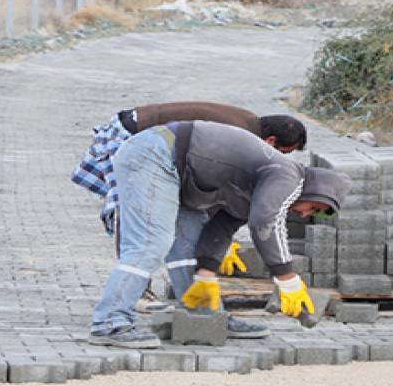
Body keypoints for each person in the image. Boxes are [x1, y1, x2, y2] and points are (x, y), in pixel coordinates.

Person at [87, 121, 349, 349]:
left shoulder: (260, 187)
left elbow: (221, 227)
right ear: (315, 192)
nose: (305, 214)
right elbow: (265, 223)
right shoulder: (287, 176)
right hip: (155, 154)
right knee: (150, 243)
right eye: (314, 208)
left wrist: (207, 271)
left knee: (189, 247)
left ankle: (206, 316)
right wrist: (287, 279)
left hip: (178, 172)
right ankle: (109, 322)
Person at [71, 102, 308, 235]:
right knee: (134, 211)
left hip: (144, 135)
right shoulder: (241, 136)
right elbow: (217, 179)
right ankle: (133, 287)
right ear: (271, 141)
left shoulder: (248, 120)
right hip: (132, 137)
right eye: (283, 152)